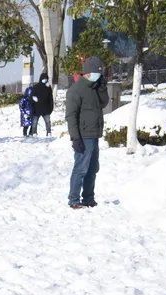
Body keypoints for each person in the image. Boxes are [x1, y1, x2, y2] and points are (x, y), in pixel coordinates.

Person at [65, 56, 110, 209]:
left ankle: (88, 198)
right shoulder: (76, 90)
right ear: (87, 73)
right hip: (83, 136)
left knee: (92, 168)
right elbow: (71, 116)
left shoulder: (95, 87)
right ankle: (74, 199)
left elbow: (104, 103)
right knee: (81, 168)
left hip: (94, 134)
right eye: (97, 72)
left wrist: (103, 86)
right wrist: (75, 138)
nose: (98, 75)